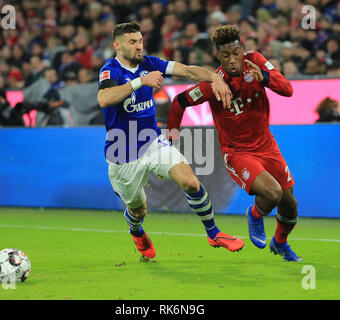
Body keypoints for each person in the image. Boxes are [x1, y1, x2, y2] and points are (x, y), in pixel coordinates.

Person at [97, 22, 243, 259]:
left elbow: (188, 71)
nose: (138, 46)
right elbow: (104, 99)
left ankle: (214, 233)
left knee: (191, 183)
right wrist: (139, 83)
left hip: (152, 141)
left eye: (140, 40)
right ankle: (137, 232)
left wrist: (215, 78)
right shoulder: (110, 70)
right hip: (121, 152)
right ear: (117, 45)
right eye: (132, 42)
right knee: (138, 210)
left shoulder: (150, 64)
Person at [167, 25, 302, 261]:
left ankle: (280, 243)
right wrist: (173, 134)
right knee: (273, 193)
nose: (233, 60)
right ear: (217, 56)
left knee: (290, 202)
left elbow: (288, 90)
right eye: (226, 55)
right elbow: (179, 102)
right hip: (238, 153)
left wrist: (266, 77)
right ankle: (255, 214)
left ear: (242, 49)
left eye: (236, 52)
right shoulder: (213, 84)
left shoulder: (256, 61)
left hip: (267, 145)